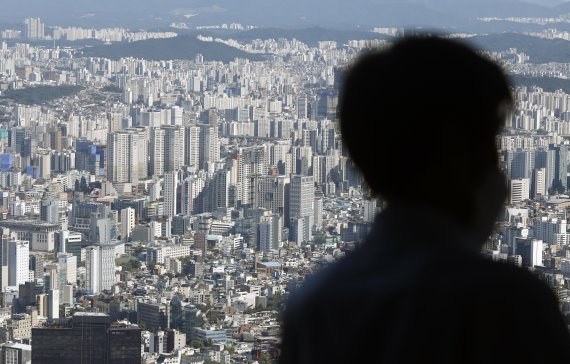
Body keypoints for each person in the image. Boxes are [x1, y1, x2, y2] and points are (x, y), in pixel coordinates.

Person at [279, 36, 570, 363]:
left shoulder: (314, 306)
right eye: (491, 143)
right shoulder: (511, 304)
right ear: (459, 151)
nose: (498, 166)